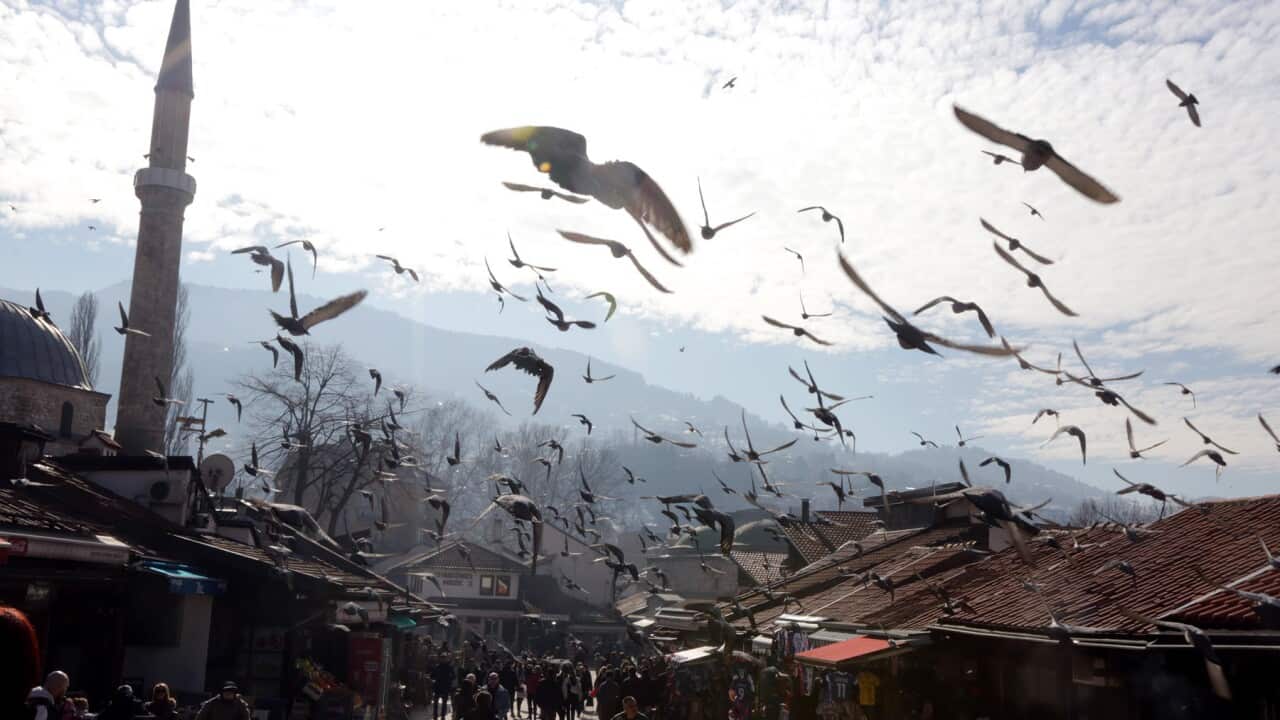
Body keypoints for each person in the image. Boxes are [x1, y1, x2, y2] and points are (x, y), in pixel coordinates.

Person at [432, 654, 455, 720]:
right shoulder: (437, 667)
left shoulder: (449, 667)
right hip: (438, 687)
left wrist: (448, 680)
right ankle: (435, 716)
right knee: (436, 703)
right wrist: (435, 679)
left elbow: (453, 676)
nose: (443, 659)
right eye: (442, 658)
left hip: (445, 687)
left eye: (444, 658)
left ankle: (442, 716)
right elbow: (432, 675)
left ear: (446, 659)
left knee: (444, 703)